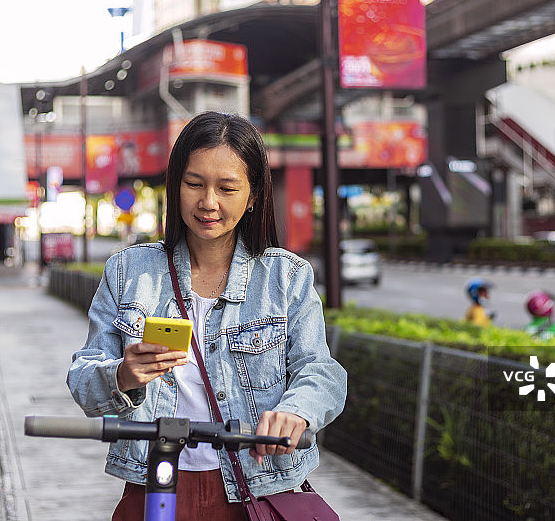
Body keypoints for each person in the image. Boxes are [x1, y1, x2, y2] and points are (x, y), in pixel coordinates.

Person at [67, 111, 347, 521]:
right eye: (194, 183)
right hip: (155, 484)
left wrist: (297, 412)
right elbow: (83, 378)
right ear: (175, 186)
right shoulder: (129, 272)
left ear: (253, 196)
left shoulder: (286, 277)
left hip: (256, 486)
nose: (208, 202)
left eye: (227, 188)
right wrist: (124, 376)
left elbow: (321, 371)